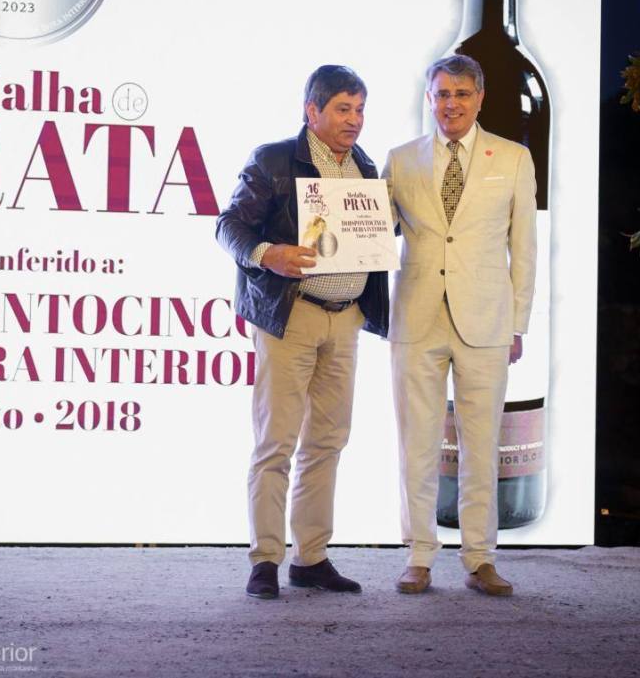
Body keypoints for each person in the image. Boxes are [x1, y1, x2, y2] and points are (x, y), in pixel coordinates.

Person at [215, 65, 389, 599]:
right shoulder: (273, 160)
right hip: (291, 315)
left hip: (346, 318)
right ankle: (265, 559)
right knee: (277, 442)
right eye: (343, 109)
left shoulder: (365, 166)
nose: (354, 120)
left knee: (328, 441)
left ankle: (310, 558)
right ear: (312, 111)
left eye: (360, 109)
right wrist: (268, 254)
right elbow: (229, 225)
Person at [382, 54, 536, 596]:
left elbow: (524, 248)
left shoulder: (513, 158)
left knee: (481, 444)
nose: (451, 104)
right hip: (416, 318)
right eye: (442, 94)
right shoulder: (400, 160)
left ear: (480, 98)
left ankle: (480, 558)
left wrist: (518, 323)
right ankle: (418, 555)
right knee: (416, 444)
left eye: (462, 94)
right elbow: (374, 233)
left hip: (488, 321)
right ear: (429, 98)